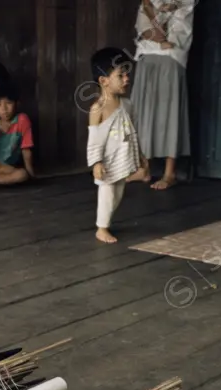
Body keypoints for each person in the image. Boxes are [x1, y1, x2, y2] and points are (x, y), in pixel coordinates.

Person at [88, 48, 149, 244]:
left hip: (123, 157)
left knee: (118, 194)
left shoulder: (127, 105)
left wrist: (139, 154)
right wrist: (96, 162)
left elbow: (132, 132)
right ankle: (101, 228)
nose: (126, 79)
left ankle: (106, 220)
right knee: (107, 192)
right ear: (103, 81)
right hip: (107, 160)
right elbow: (95, 138)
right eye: (120, 75)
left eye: (127, 74)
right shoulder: (98, 108)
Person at [133, 0, 196, 190]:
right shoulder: (148, 2)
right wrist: (151, 11)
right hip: (147, 60)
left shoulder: (186, 4)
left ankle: (170, 173)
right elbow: (147, 34)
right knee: (143, 111)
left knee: (169, 113)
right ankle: (144, 168)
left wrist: (152, 13)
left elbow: (165, 37)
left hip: (171, 61)